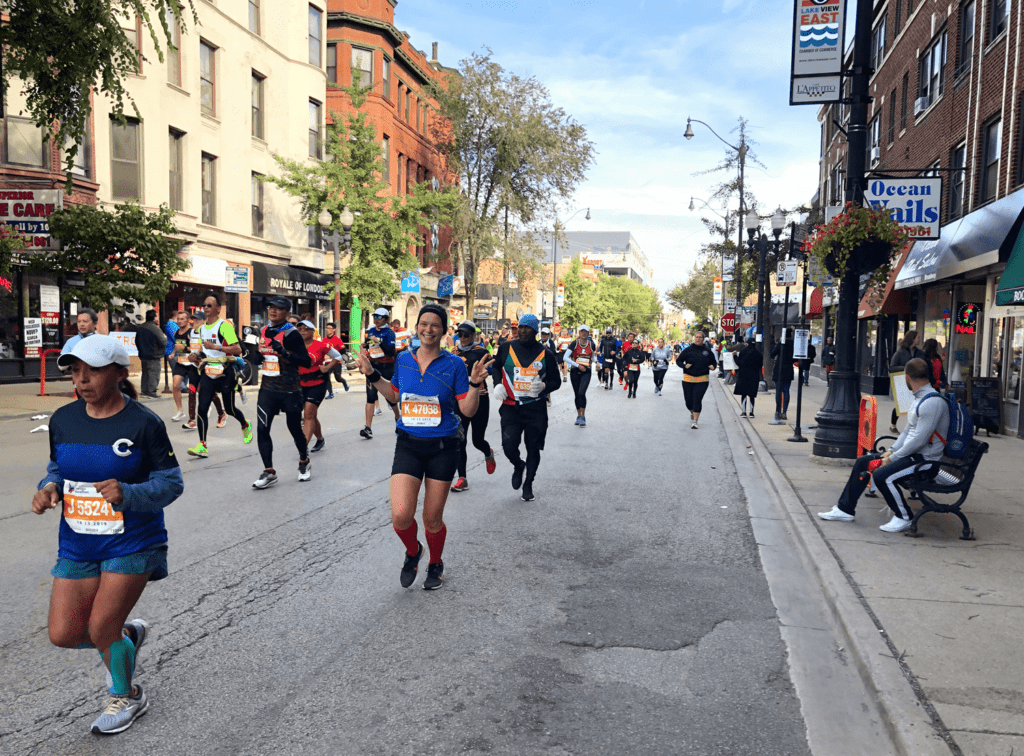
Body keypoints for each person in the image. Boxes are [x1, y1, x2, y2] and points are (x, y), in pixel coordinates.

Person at [36, 335, 184, 734]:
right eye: (76, 371)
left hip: (133, 541)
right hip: (77, 541)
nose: (82, 380)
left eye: (93, 371)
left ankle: (127, 695)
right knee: (64, 634)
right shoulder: (63, 419)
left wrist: (129, 493)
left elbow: (171, 483)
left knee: (101, 627)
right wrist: (49, 487)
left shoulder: (143, 423)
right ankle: (125, 641)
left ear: (120, 373)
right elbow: (57, 466)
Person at [356, 304, 491, 590]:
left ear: (443, 331)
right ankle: (413, 551)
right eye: (423, 324)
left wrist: (475, 384)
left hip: (443, 447)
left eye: (435, 325)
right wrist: (370, 374)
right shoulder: (404, 360)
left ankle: (435, 562)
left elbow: (466, 411)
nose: (428, 329)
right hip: (408, 444)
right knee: (401, 515)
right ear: (417, 327)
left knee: (431, 518)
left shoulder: (455, 365)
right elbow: (394, 393)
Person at [819, 358, 949, 533]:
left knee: (882, 476)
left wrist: (893, 458)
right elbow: (907, 433)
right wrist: (890, 452)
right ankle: (845, 509)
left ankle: (904, 517)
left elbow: (919, 440)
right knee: (862, 462)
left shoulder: (932, 402)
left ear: (907, 377)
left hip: (925, 462)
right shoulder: (920, 399)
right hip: (912, 456)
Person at [490, 313, 562, 501]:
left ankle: (528, 483)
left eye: (526, 328)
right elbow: (496, 367)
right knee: (508, 445)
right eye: (520, 327)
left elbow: (556, 381)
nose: (522, 331)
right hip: (511, 407)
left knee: (533, 448)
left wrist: (545, 387)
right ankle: (518, 465)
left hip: (535, 408)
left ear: (535, 330)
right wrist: (497, 384)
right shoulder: (506, 348)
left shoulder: (546, 354)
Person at [250, 298, 313, 488]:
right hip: (268, 389)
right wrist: (256, 356)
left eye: (279, 308)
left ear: (287, 312)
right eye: (271, 307)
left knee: (294, 428)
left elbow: (306, 361)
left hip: (290, 390)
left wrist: (284, 353)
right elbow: (256, 355)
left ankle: (304, 460)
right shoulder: (263, 331)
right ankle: (269, 471)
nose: (273, 311)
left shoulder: (292, 334)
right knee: (262, 429)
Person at [186, 293, 251, 458]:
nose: (206, 308)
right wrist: (195, 356)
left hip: (226, 371)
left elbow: (237, 350)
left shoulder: (224, 326)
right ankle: (202, 445)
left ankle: (245, 424)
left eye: (209, 305)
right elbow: (203, 352)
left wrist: (216, 348)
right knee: (203, 407)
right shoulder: (201, 329)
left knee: (229, 408)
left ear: (218, 308)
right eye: (204, 305)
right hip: (209, 371)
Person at [451, 320, 497, 492]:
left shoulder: (481, 352)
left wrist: (483, 373)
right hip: (459, 400)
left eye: (466, 335)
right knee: (459, 440)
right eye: (460, 334)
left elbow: (492, 368)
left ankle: (488, 452)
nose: (462, 338)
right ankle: (462, 478)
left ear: (474, 336)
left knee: (477, 440)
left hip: (480, 398)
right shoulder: (453, 352)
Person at [177, 311, 226, 431]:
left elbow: (208, 349)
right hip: (194, 366)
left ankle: (221, 414)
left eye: (198, 320)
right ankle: (192, 420)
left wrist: (199, 355)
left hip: (205, 365)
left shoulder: (207, 332)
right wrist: (189, 353)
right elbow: (190, 346)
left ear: (205, 320)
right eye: (194, 320)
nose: (195, 322)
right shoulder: (191, 332)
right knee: (192, 390)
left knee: (208, 392)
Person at [298, 319, 339, 454]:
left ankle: (303, 447)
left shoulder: (321, 345)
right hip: (301, 384)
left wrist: (327, 368)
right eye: (300, 328)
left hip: (318, 383)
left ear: (312, 331)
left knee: (308, 414)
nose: (302, 331)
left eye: (305, 328)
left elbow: (338, 356)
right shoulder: (295, 345)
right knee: (312, 416)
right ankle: (320, 439)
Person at [361, 308, 400, 439]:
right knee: (370, 396)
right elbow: (370, 345)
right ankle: (368, 428)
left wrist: (380, 342)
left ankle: (398, 418)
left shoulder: (389, 333)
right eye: (375, 317)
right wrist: (365, 345)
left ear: (386, 319)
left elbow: (390, 351)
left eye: (379, 317)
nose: (376, 319)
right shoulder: (371, 331)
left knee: (390, 397)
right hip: (373, 367)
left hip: (387, 367)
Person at [676, 331, 717, 429]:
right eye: (696, 337)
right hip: (688, 379)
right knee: (688, 402)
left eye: (700, 337)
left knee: (697, 400)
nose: (698, 339)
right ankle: (693, 412)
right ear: (694, 338)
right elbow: (678, 360)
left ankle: (695, 421)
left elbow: (714, 362)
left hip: (702, 379)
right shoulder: (688, 350)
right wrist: (684, 366)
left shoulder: (707, 351)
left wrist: (713, 367)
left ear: (703, 339)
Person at [888, 330, 924, 432]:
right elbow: (892, 368)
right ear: (912, 339)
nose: (919, 339)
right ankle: (893, 425)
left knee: (915, 405)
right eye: (918, 337)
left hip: (916, 382)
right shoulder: (900, 352)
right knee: (901, 405)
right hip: (903, 382)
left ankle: (913, 426)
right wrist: (906, 368)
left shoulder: (919, 352)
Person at [563, 325, 596, 424]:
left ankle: (583, 415)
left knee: (582, 393)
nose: (584, 333)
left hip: (586, 371)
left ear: (588, 333)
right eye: (582, 331)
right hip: (575, 371)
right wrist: (577, 365)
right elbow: (565, 357)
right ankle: (579, 415)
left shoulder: (592, 344)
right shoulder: (574, 343)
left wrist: (598, 363)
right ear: (579, 333)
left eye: (586, 331)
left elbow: (593, 358)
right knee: (577, 394)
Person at [134, 310, 167, 399]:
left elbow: (136, 341)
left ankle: (144, 391)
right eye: (157, 316)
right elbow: (163, 341)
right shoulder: (155, 328)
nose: (158, 318)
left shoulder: (141, 327)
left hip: (143, 354)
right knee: (153, 374)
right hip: (154, 355)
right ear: (154, 318)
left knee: (145, 373)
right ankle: (151, 392)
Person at [168, 311, 191, 421]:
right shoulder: (177, 332)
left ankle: (207, 404)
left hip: (192, 363)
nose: (180, 321)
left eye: (182, 319)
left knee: (198, 388)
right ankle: (180, 411)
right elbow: (177, 346)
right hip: (181, 362)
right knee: (176, 385)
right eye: (179, 319)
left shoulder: (192, 333)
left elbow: (197, 348)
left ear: (187, 320)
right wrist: (173, 353)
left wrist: (185, 348)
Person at [734, 338, 763, 418]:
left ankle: (743, 412)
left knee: (744, 394)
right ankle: (751, 412)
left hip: (743, 375)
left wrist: (735, 356)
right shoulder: (758, 354)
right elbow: (760, 365)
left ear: (747, 343)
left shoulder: (743, 352)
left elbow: (739, 363)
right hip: (754, 376)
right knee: (752, 394)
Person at [770, 333, 795, 422]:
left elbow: (772, 354)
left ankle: (778, 411)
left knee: (778, 391)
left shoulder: (781, 343)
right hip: (788, 369)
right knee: (786, 391)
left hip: (779, 369)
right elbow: (795, 358)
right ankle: (784, 412)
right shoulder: (793, 344)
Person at [322, 322, 349, 397]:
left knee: (338, 378)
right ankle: (331, 393)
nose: (327, 330)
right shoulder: (324, 340)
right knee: (326, 377)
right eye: (326, 328)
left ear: (334, 330)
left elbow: (343, 350)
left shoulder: (337, 339)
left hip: (337, 362)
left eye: (329, 328)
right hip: (327, 362)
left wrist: (334, 355)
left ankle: (344, 382)